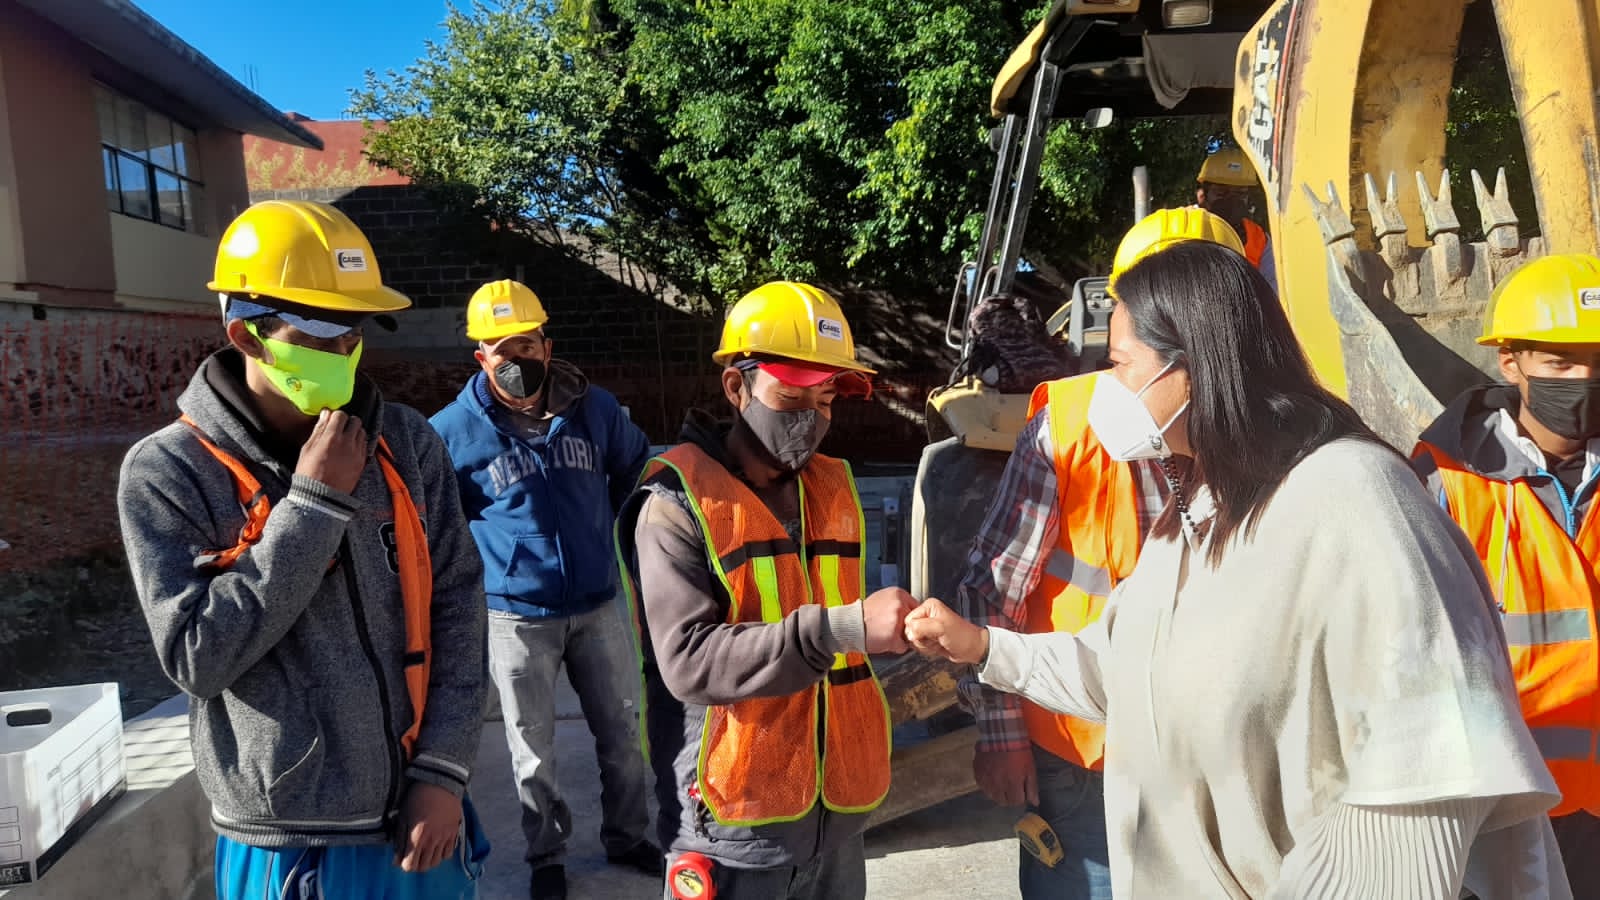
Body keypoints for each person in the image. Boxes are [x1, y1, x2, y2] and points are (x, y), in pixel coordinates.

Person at [906, 241, 1571, 899]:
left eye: (1119, 364)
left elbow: (1426, 773)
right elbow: (1121, 669)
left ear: (1191, 368)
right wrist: (987, 648)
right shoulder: (1197, 511)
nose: (1105, 389)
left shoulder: (1356, 500)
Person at [117, 200, 490, 899]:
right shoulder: (168, 473)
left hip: (421, 812)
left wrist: (444, 769)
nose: (343, 353)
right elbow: (199, 658)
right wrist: (314, 507)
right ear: (247, 335)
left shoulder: (405, 445)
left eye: (354, 332)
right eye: (318, 335)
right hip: (290, 839)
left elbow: (460, 605)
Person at [955, 207, 1244, 900]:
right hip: (1085, 752)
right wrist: (1000, 730)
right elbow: (994, 591)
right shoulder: (1070, 425)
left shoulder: (1271, 442)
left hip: (1219, 756)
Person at [614, 281, 917, 900]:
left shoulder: (831, 488)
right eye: (791, 393)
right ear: (737, 387)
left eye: (826, 394)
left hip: (836, 812)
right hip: (732, 822)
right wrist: (845, 628)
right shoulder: (676, 504)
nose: (810, 414)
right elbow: (688, 661)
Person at [430, 279, 659, 900]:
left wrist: (604, 538)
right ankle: (547, 856)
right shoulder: (451, 432)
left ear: (547, 345)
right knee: (532, 750)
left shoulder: (596, 409)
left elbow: (636, 472)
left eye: (527, 344)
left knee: (621, 732)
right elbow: (436, 523)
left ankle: (629, 836)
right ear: (480, 356)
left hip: (597, 604)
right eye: (501, 348)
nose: (516, 359)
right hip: (515, 616)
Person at [1413, 252, 1600, 897]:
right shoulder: (1446, 482)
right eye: (1561, 362)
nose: (1584, 380)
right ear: (1511, 362)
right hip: (1503, 805)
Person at [1196, 145, 1275, 285]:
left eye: (1240, 193)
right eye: (1221, 192)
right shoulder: (1185, 228)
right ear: (1202, 196)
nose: (1232, 200)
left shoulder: (1259, 239)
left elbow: (1272, 291)